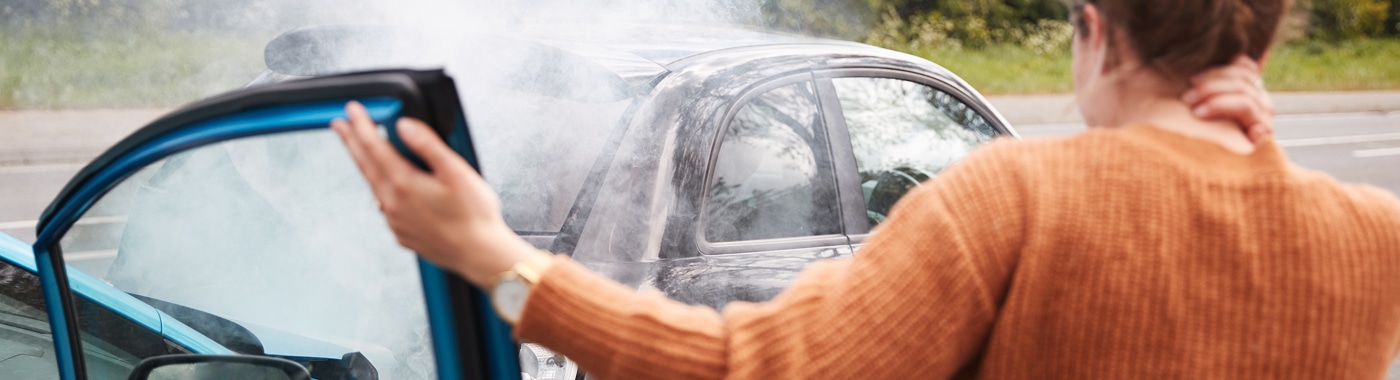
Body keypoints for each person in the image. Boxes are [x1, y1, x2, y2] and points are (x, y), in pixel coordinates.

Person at [332, 0, 1400, 377]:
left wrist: (493, 258)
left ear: (1091, 28)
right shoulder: (1370, 235)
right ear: (1257, 38)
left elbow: (739, 363)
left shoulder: (1013, 197)